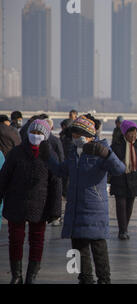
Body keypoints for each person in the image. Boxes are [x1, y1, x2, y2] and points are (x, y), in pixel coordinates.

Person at [39, 115, 125, 284]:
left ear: (88, 134)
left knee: (99, 252)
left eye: (78, 135)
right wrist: (48, 157)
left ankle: (104, 280)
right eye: (74, 135)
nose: (75, 138)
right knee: (79, 254)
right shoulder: (72, 152)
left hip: (95, 211)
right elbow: (60, 171)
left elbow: (119, 169)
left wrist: (107, 154)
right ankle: (85, 280)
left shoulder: (101, 149)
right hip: (75, 211)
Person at [0, 119, 61, 284]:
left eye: (40, 133)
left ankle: (31, 276)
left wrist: (55, 210)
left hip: (39, 204)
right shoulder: (16, 152)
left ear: (46, 136)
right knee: (16, 239)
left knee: (37, 240)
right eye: (34, 132)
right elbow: (4, 177)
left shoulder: (50, 156)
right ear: (28, 133)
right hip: (16, 202)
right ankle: (16, 275)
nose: (36, 136)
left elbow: (56, 183)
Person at [110, 120, 137, 240]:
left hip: (134, 179)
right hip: (119, 179)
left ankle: (125, 228)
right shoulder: (116, 145)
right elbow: (109, 162)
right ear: (124, 133)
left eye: (135, 133)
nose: (133, 135)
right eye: (131, 133)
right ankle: (122, 230)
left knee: (129, 206)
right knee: (121, 205)